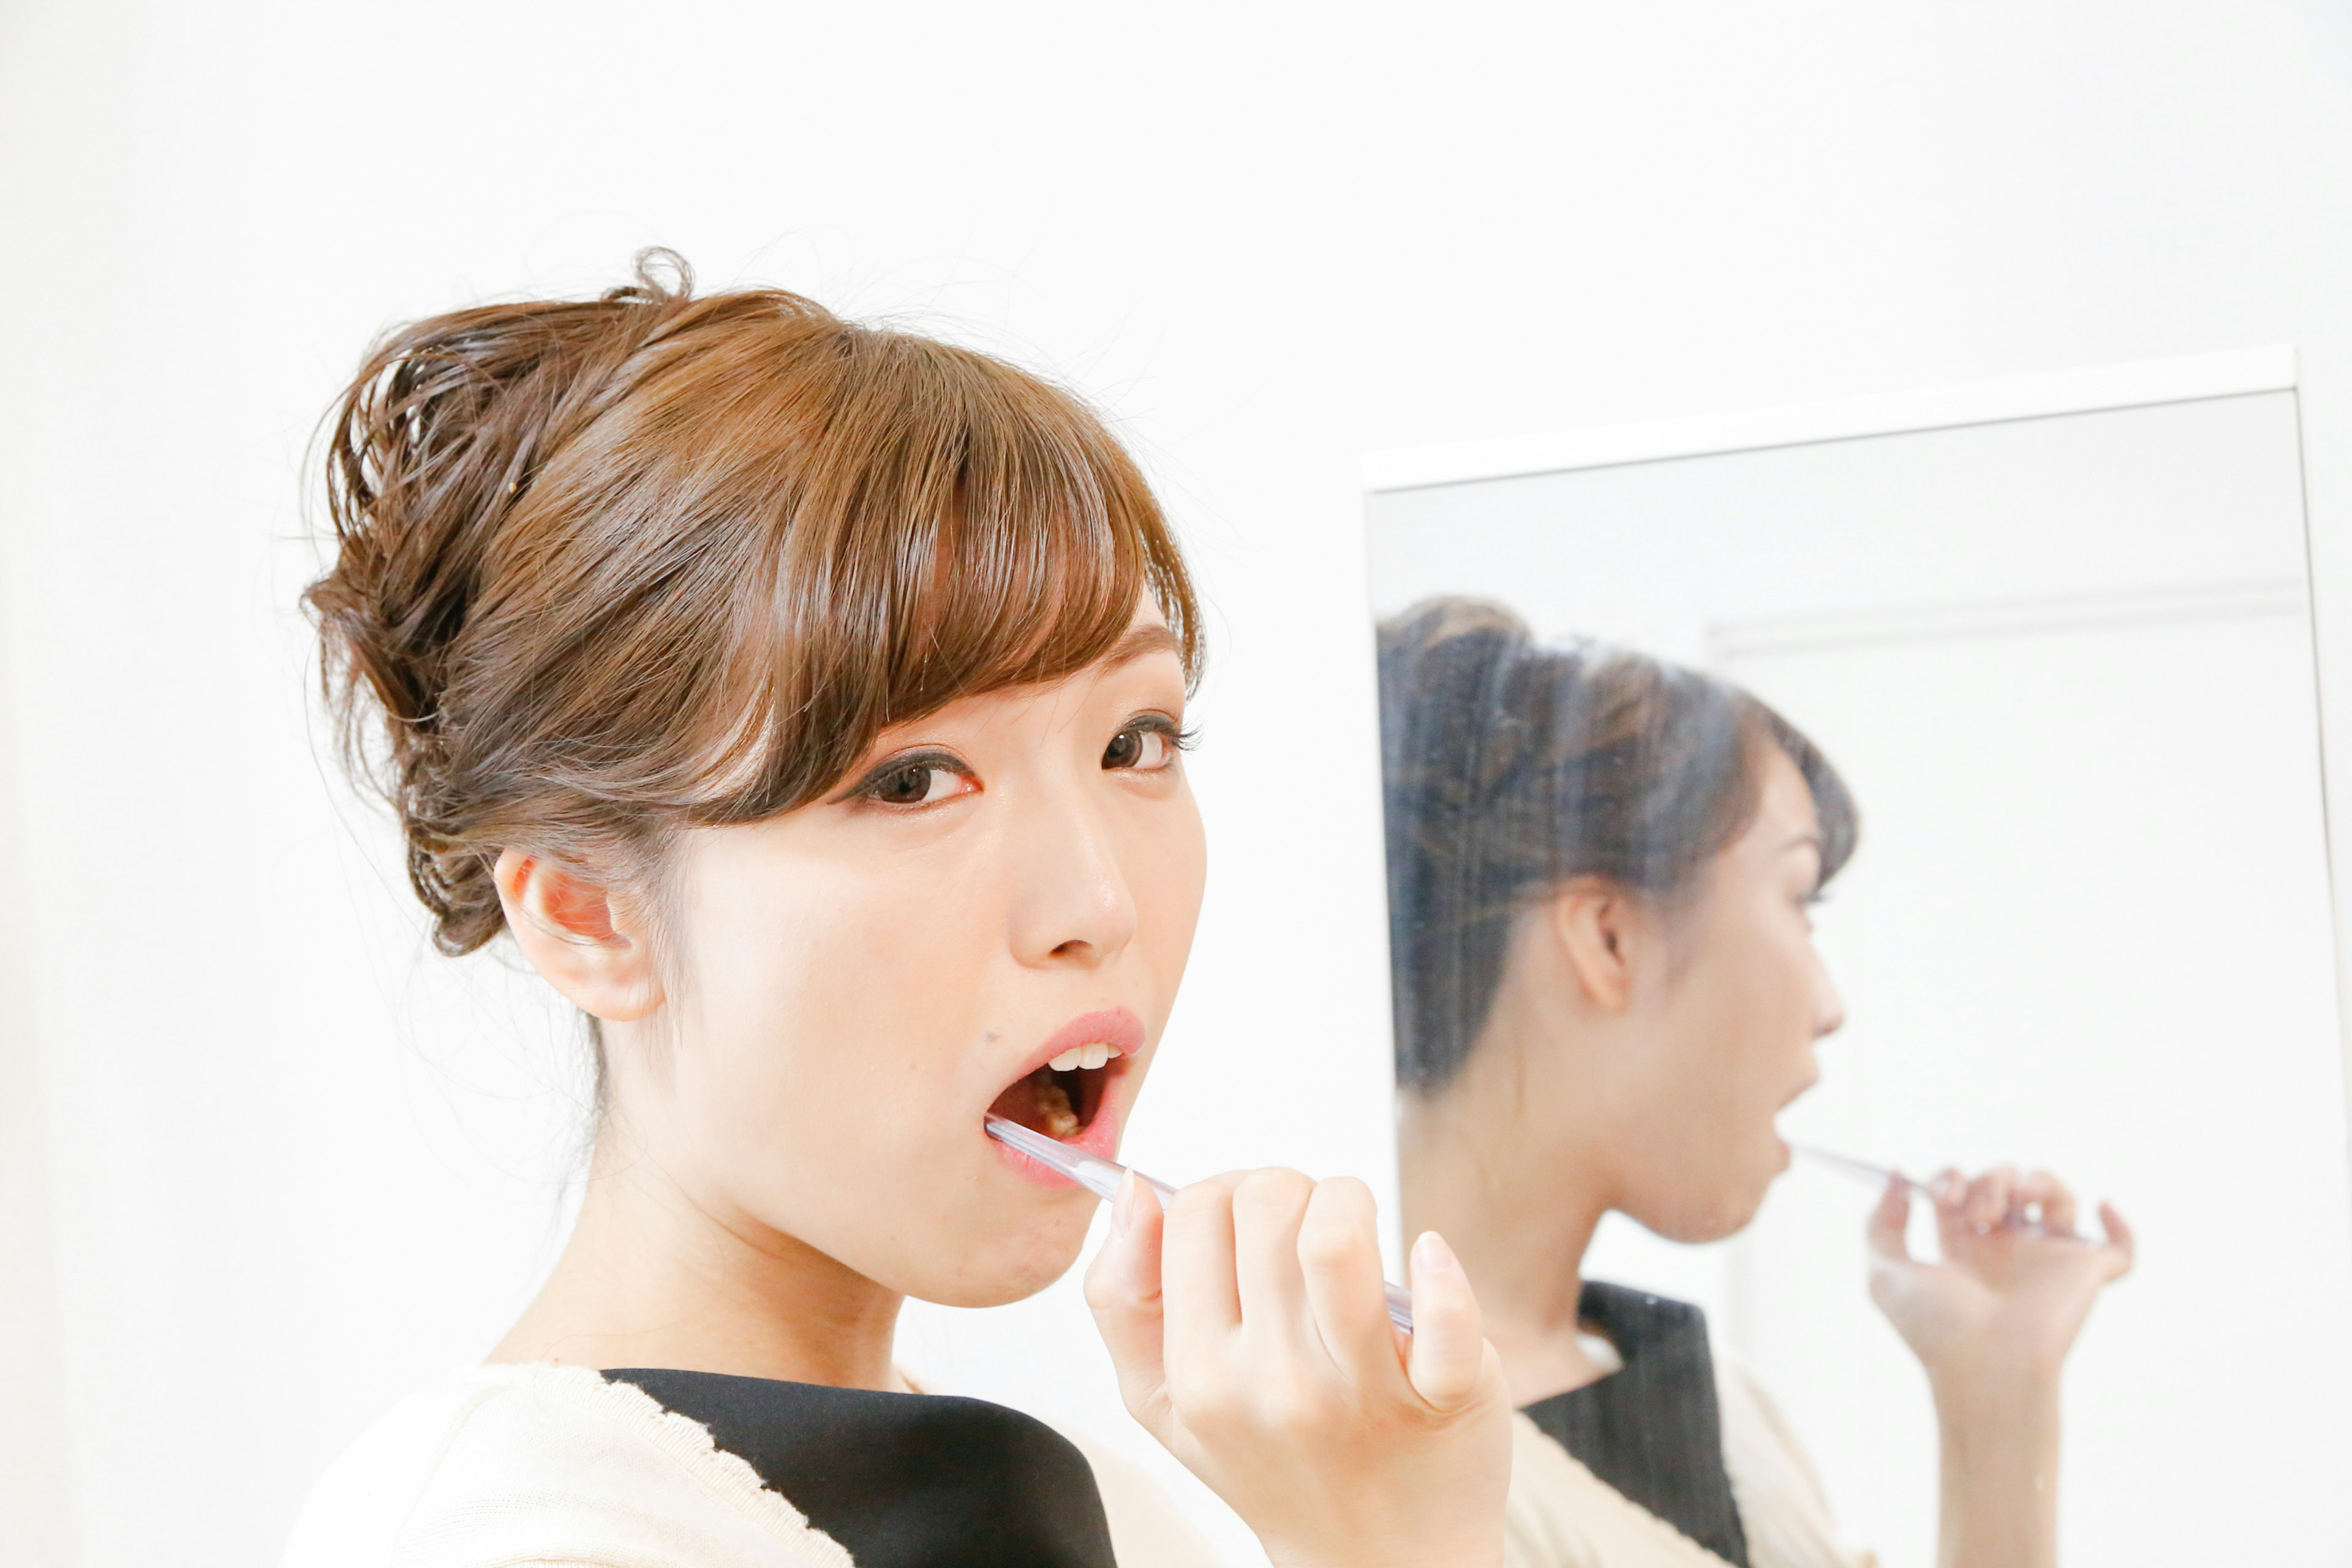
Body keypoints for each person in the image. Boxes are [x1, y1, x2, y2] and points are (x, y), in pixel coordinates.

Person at [282, 255, 1514, 1568]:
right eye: (915, 779)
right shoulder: (507, 1538)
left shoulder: (1109, 1510)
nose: (1097, 900)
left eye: (1135, 740)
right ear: (589, 914)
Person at [1376, 597, 2135, 1568]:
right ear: (1608, 939)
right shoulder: (1372, 1470)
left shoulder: (1739, 1419)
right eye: (1797, 898)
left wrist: (2001, 1393)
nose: (1829, 1005)